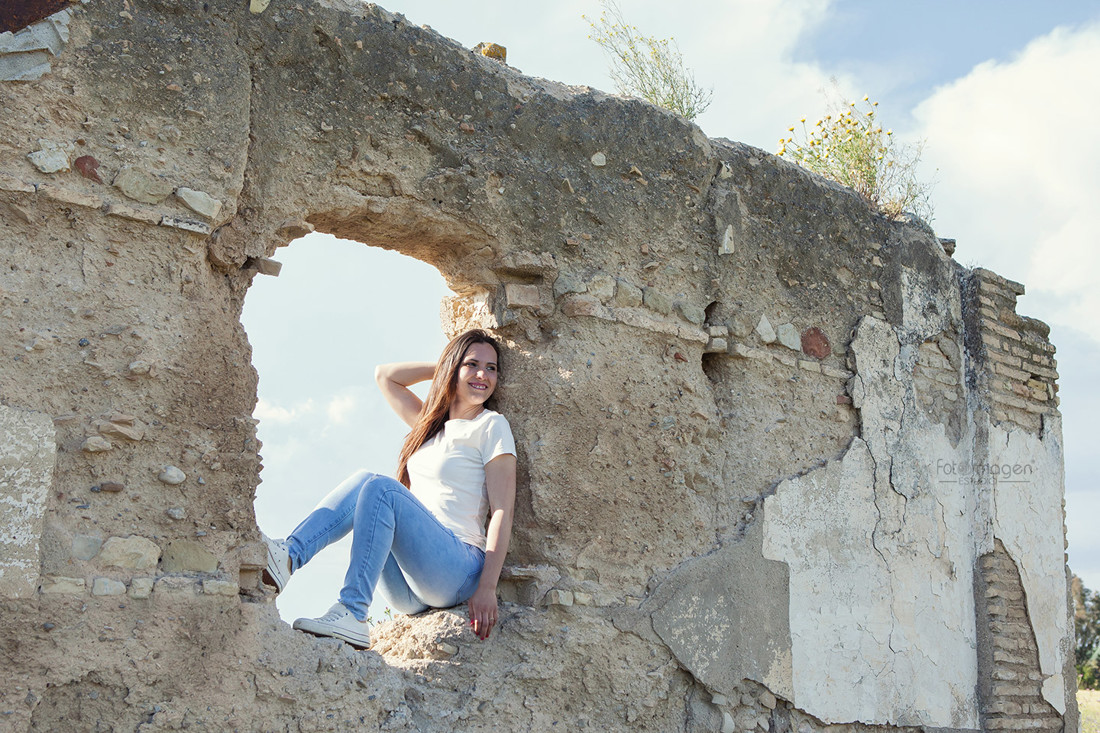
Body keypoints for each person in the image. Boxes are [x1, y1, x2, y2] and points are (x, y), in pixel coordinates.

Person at [261, 329, 517, 648]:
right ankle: (289, 556)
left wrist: (488, 587)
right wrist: (444, 367)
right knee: (364, 480)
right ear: (453, 368)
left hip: (459, 566)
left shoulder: (491, 426)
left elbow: (503, 510)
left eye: (491, 368)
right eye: (472, 364)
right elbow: (385, 376)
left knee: (382, 488)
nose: (483, 375)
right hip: (411, 587)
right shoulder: (429, 426)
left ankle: (353, 611)